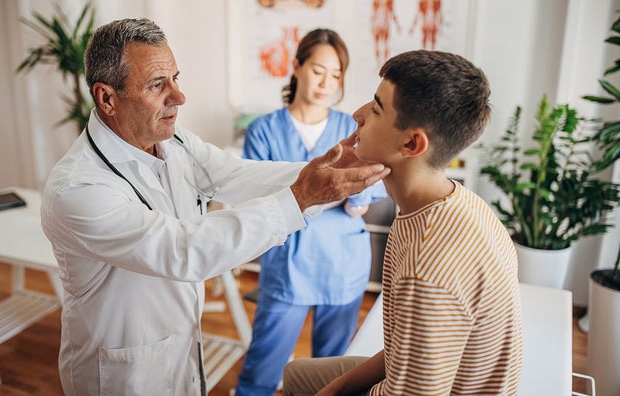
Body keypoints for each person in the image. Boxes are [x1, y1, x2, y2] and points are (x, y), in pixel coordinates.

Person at [39, 18, 389, 396]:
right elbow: (184, 250)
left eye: (175, 78)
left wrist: (328, 170)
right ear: (107, 98)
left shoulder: (175, 142)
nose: (179, 96)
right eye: (158, 85)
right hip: (122, 371)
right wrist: (302, 196)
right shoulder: (79, 188)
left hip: (179, 348)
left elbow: (237, 175)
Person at [281, 50, 523, 395]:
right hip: (415, 374)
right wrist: (334, 389)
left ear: (411, 143)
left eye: (377, 108)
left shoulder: (427, 268)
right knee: (298, 376)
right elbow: (404, 350)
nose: (357, 114)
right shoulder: (452, 202)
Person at [236, 28, 387, 396]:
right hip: (287, 269)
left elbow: (370, 189)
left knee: (330, 376)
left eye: (336, 75)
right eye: (319, 70)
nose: (327, 83)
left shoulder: (352, 128)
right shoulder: (264, 130)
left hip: (343, 267)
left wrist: (356, 197)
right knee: (261, 370)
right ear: (298, 66)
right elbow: (255, 196)